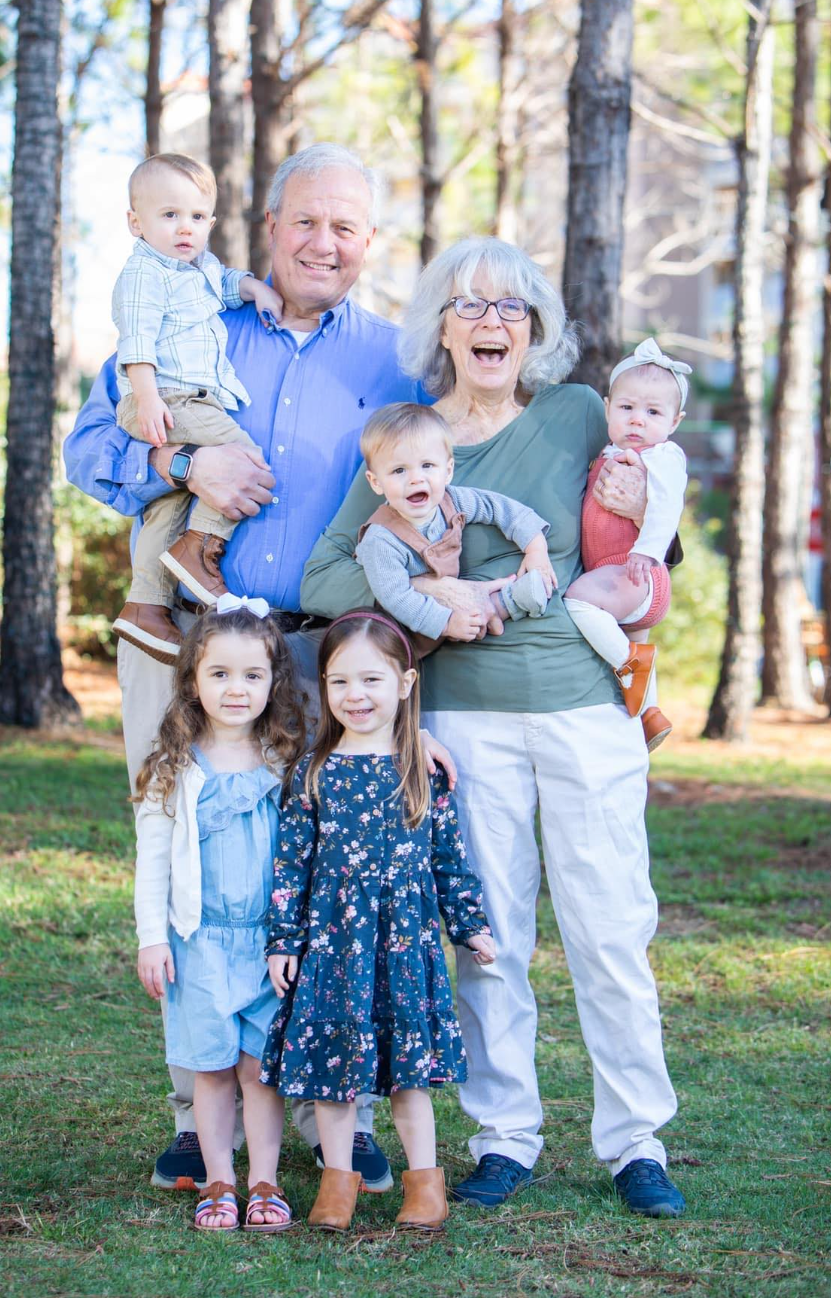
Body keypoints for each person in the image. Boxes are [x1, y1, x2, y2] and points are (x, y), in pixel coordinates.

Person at [65, 143, 450, 1195]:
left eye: (346, 228)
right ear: (270, 228)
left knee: (334, 869)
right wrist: (188, 461)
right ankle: (202, 1116)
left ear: (367, 244)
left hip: (333, 650)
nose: (324, 243)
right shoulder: (193, 316)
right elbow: (89, 444)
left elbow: (438, 487)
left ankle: (341, 1115)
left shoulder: (394, 361)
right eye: (305, 222)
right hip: (197, 639)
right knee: (196, 860)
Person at [301, 236, 687, 1219]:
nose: (491, 322)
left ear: (535, 329)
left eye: (511, 307)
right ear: (439, 325)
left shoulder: (574, 414)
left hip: (582, 709)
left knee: (611, 928)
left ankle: (635, 1140)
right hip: (464, 724)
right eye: (470, 305)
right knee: (488, 937)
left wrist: (648, 520)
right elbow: (326, 576)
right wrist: (428, 584)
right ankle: (503, 1136)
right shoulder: (409, 437)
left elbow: (650, 528)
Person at [261, 611, 495, 1232]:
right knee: (336, 1071)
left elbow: (449, 857)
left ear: (405, 684)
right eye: (339, 683)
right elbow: (290, 867)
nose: (355, 696)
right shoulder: (313, 772)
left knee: (408, 1076)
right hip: (334, 945)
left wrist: (470, 923)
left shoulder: (421, 770)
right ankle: (339, 1182)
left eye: (370, 680)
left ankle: (424, 1184)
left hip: (404, 947)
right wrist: (284, 941)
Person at [133, 597, 307, 1231]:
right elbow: (152, 860)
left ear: (273, 681)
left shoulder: (286, 759)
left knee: (260, 1071)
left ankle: (264, 1180)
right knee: (210, 1069)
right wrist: (153, 938)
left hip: (269, 945)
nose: (237, 689)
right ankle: (218, 1181)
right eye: (220, 674)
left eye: (253, 676)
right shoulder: (174, 767)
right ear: (194, 680)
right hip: (197, 941)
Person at [112, 153, 283, 656]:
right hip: (167, 397)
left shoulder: (195, 268)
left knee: (167, 502)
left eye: (196, 217)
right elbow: (136, 342)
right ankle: (199, 549)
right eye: (169, 215)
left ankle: (145, 604)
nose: (184, 228)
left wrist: (253, 287)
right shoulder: (145, 274)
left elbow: (224, 283)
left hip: (173, 399)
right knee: (244, 459)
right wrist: (145, 398)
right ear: (135, 222)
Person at [564, 338, 690, 752]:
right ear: (607, 408)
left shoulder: (662, 456)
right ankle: (650, 714)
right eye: (627, 408)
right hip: (620, 572)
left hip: (634, 570)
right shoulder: (610, 451)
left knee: (577, 601)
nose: (638, 421)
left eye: (653, 412)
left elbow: (668, 506)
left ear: (675, 421)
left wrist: (647, 551)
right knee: (637, 641)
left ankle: (629, 670)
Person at [355, 401, 554, 652]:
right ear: (376, 482)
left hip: (452, 606)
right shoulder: (381, 540)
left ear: (448, 470)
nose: (416, 478)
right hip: (404, 630)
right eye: (398, 470)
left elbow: (498, 507)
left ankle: (502, 603)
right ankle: (500, 607)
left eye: (427, 465)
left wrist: (535, 546)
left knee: (475, 612)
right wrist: (447, 622)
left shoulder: (452, 501)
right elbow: (397, 598)